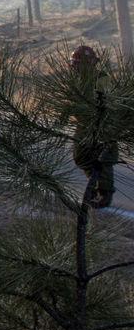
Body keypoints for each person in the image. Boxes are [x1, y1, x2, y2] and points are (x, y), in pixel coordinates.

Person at [69, 45, 118, 209]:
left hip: (102, 125)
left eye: (78, 63)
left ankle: (105, 192)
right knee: (81, 156)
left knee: (104, 159)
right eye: (74, 64)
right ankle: (97, 187)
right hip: (84, 125)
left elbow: (108, 103)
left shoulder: (101, 78)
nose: (75, 67)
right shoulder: (76, 81)